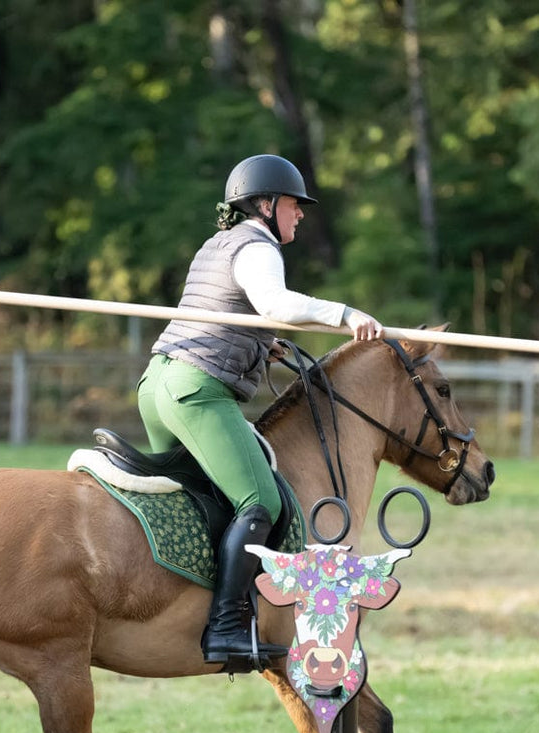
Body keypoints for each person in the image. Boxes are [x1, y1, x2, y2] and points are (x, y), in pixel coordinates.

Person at [138, 154, 384, 665]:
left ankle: (182, 604)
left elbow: (228, 312)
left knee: (203, 499)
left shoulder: (217, 246)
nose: (301, 215)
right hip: (197, 390)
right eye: (295, 205)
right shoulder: (256, 246)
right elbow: (274, 303)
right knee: (260, 500)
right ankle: (226, 627)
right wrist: (346, 314)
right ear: (267, 204)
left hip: (158, 383)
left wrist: (258, 342)